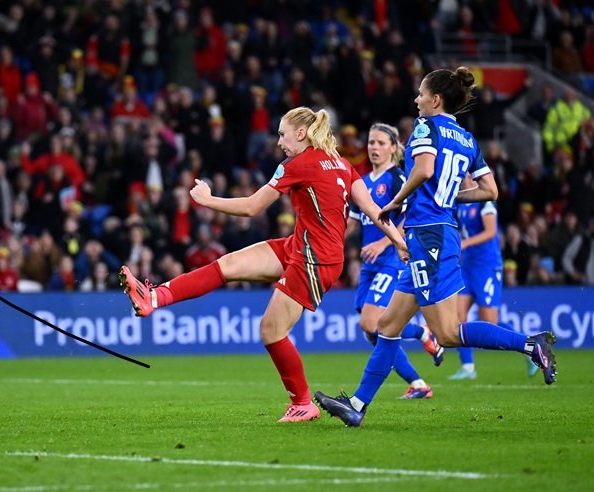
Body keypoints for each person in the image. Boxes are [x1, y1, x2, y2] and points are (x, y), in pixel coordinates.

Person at [119, 107, 409, 422]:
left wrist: (207, 200)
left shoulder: (298, 164)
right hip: (303, 246)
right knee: (227, 265)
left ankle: (303, 403)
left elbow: (251, 207)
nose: (279, 141)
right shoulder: (342, 164)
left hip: (314, 258)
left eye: (283, 134)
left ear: (301, 134)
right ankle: (155, 297)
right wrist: (399, 242)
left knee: (271, 331)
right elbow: (373, 208)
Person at [314, 67, 558, 427]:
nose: (416, 100)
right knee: (387, 324)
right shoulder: (466, 138)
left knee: (447, 332)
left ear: (436, 99)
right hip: (434, 233)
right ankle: (357, 405)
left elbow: (425, 170)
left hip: (429, 235)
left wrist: (397, 199)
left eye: (420, 94)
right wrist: (450, 196)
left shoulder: (426, 127)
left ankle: (530, 344)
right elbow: (490, 190)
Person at [347, 122, 444, 399]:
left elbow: (408, 217)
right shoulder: (362, 182)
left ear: (393, 148)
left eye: (380, 143)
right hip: (370, 263)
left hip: (392, 258)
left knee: (371, 323)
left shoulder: (397, 178)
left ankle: (423, 333)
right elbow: (354, 223)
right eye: (370, 142)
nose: (374, 147)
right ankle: (418, 384)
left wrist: (383, 241)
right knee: (375, 333)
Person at [450, 175, 538, 380]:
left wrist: (465, 243)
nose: (462, 175)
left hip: (487, 265)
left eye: (466, 171)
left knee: (490, 320)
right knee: (457, 317)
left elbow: (491, 232)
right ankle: (468, 367)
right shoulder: (459, 200)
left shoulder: (484, 200)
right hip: (467, 266)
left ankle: (529, 346)